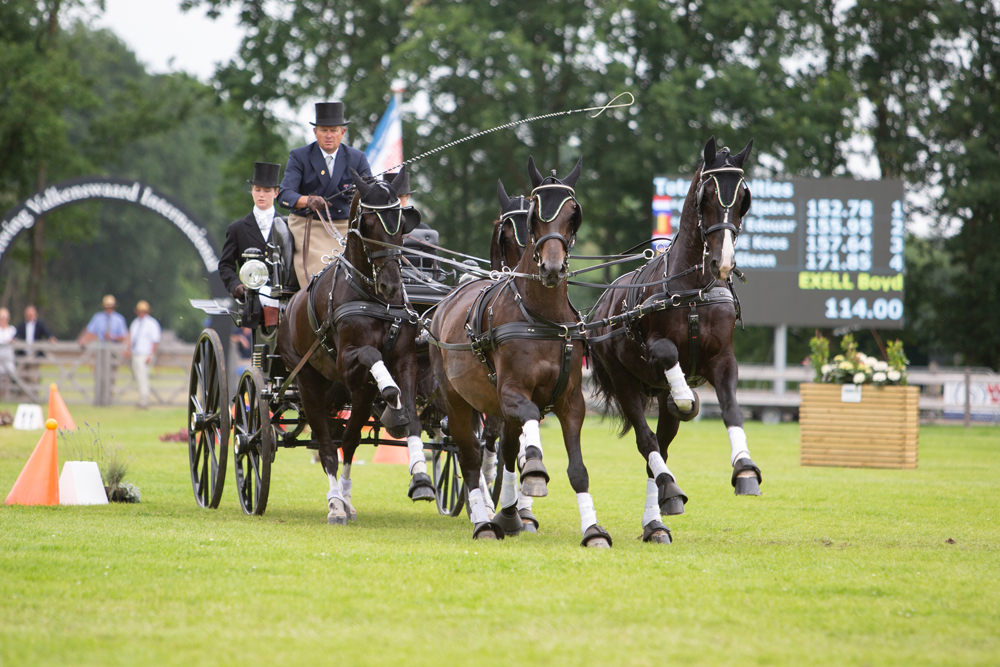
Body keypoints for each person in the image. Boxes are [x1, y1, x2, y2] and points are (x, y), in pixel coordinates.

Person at [278, 101, 372, 288]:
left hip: (346, 227)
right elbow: (284, 195)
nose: (329, 136)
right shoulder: (299, 156)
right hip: (309, 226)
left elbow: (370, 193)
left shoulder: (357, 158)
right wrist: (308, 200)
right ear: (315, 132)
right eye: (323, 130)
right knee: (323, 275)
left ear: (342, 133)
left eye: (334, 131)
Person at [219, 161, 299, 329]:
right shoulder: (237, 229)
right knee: (267, 302)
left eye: (267, 191)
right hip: (254, 296)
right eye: (257, 190)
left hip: (285, 292)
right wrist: (237, 286)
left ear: (276, 193)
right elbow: (225, 265)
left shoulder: (290, 225)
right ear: (252, 191)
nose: (261, 195)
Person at [124, 300, 161, 409]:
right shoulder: (135, 323)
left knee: (143, 377)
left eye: (143, 311)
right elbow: (132, 338)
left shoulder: (152, 323)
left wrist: (151, 355)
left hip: (145, 354)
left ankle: (144, 400)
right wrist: (128, 349)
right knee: (138, 377)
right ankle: (142, 398)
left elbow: (155, 341)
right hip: (136, 353)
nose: (141, 313)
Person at [0, 308, 16, 400]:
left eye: (5, 318)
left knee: (9, 379)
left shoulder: (12, 330)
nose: (3, 320)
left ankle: (8, 397)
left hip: (8, 359)